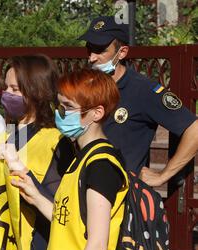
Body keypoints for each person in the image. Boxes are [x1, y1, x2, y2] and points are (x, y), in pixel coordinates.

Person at [10, 68, 128, 250]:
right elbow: (66, 221)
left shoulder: (101, 165)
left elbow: (97, 244)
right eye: (60, 106)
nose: (60, 114)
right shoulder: (80, 159)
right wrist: (34, 195)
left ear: (97, 113)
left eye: (68, 108)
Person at [79, 16, 198, 187]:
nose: (91, 58)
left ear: (122, 53)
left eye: (100, 51)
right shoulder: (85, 86)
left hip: (122, 199)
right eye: (89, 49)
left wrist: (162, 176)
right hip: (83, 190)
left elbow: (194, 130)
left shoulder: (142, 90)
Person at [0, 55, 74, 250]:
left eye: (15, 89)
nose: (7, 94)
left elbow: (60, 207)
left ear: (36, 91)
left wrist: (19, 171)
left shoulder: (56, 140)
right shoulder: (6, 135)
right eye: (6, 87)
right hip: (1, 248)